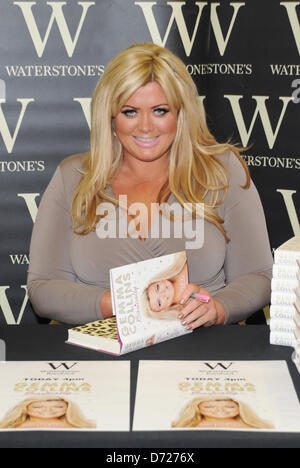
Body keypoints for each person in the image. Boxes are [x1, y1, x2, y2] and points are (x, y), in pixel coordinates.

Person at [27, 42, 273, 327]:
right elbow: (43, 288)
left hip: (200, 354)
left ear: (181, 114)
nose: (145, 127)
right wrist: (125, 302)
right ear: (110, 116)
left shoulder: (222, 172)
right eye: (130, 111)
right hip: (97, 358)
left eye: (160, 111)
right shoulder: (74, 177)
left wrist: (218, 309)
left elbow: (259, 276)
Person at [171, 396, 274, 429]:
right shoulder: (180, 425)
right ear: (197, 408)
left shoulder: (261, 426)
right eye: (209, 406)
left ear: (240, 408)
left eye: (229, 406)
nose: (220, 410)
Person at [0, 396, 96, 429]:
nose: (48, 410)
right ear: (25, 408)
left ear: (68, 408)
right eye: (38, 406)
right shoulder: (11, 426)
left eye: (58, 406)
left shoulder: (77, 426)